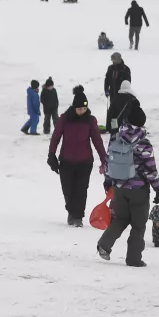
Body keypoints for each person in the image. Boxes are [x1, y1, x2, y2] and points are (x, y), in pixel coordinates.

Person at [97, 105, 159, 267]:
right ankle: (133, 258)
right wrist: (158, 188)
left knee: (120, 219)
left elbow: (108, 161)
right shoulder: (144, 143)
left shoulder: (116, 137)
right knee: (138, 225)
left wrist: (108, 180)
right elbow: (150, 168)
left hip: (119, 187)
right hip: (138, 190)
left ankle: (104, 244)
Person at [48, 89, 107, 227]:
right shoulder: (64, 118)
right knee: (68, 189)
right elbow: (56, 137)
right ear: (74, 107)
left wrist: (104, 159)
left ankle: (78, 217)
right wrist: (52, 154)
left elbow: (97, 141)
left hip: (84, 161)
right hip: (66, 161)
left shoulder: (90, 120)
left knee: (81, 190)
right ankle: (71, 211)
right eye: (80, 108)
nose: (82, 111)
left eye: (85, 108)